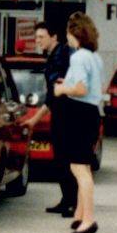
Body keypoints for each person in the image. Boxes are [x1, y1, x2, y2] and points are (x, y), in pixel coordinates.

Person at [53, 12, 105, 233]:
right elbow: (93, 87)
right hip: (91, 113)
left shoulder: (78, 57)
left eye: (68, 32)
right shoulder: (95, 57)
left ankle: (89, 220)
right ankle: (81, 215)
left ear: (75, 33)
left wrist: (62, 89)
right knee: (84, 167)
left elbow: (81, 90)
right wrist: (69, 82)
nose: (67, 37)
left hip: (78, 113)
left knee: (78, 168)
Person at [35, 20, 77, 217]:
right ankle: (66, 199)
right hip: (59, 113)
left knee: (67, 159)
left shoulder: (64, 55)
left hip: (68, 114)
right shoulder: (53, 56)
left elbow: (61, 88)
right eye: (36, 37)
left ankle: (73, 203)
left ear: (54, 37)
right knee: (60, 159)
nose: (38, 41)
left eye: (41, 37)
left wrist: (35, 118)